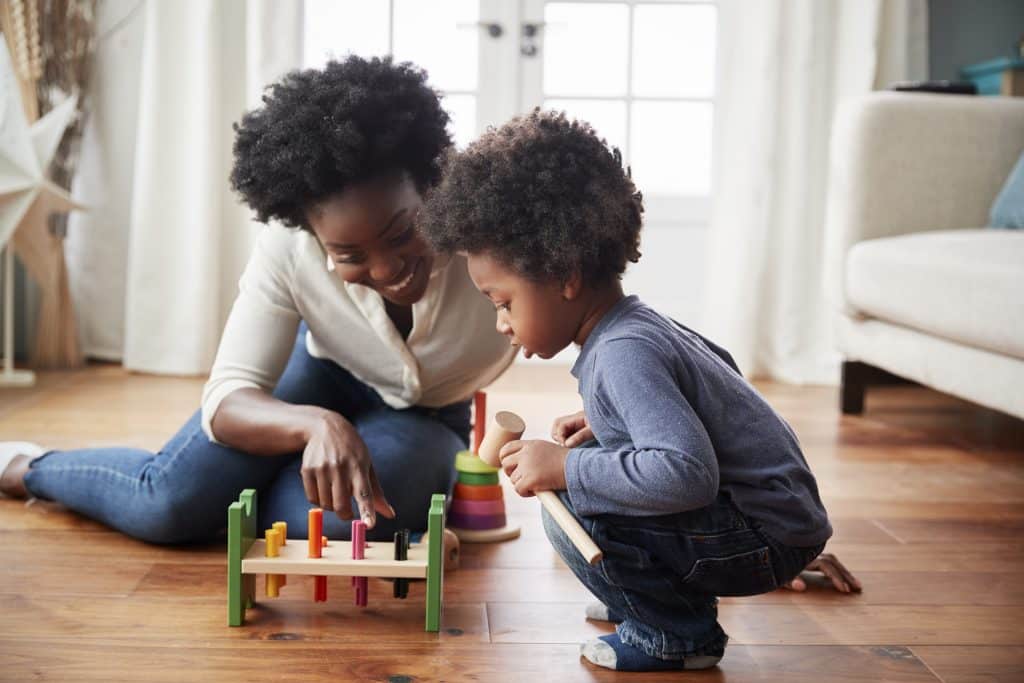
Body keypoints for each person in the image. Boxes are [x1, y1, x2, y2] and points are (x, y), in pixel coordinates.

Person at [0, 56, 515, 543]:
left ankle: (225, 495)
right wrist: (315, 424)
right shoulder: (287, 246)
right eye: (348, 253)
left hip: (426, 413)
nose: (386, 270)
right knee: (167, 505)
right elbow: (227, 399)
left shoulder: (497, 232)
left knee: (333, 526)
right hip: (323, 373)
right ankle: (27, 469)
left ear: (432, 185)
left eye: (403, 233)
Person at [419, 109, 858, 672]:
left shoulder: (622, 352)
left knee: (570, 509)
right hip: (778, 522)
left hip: (763, 537)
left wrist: (563, 470)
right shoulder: (637, 325)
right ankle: (648, 596)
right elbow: (712, 390)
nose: (501, 323)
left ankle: (676, 633)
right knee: (597, 460)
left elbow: (687, 473)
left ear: (565, 276)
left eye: (503, 302)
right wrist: (608, 422)